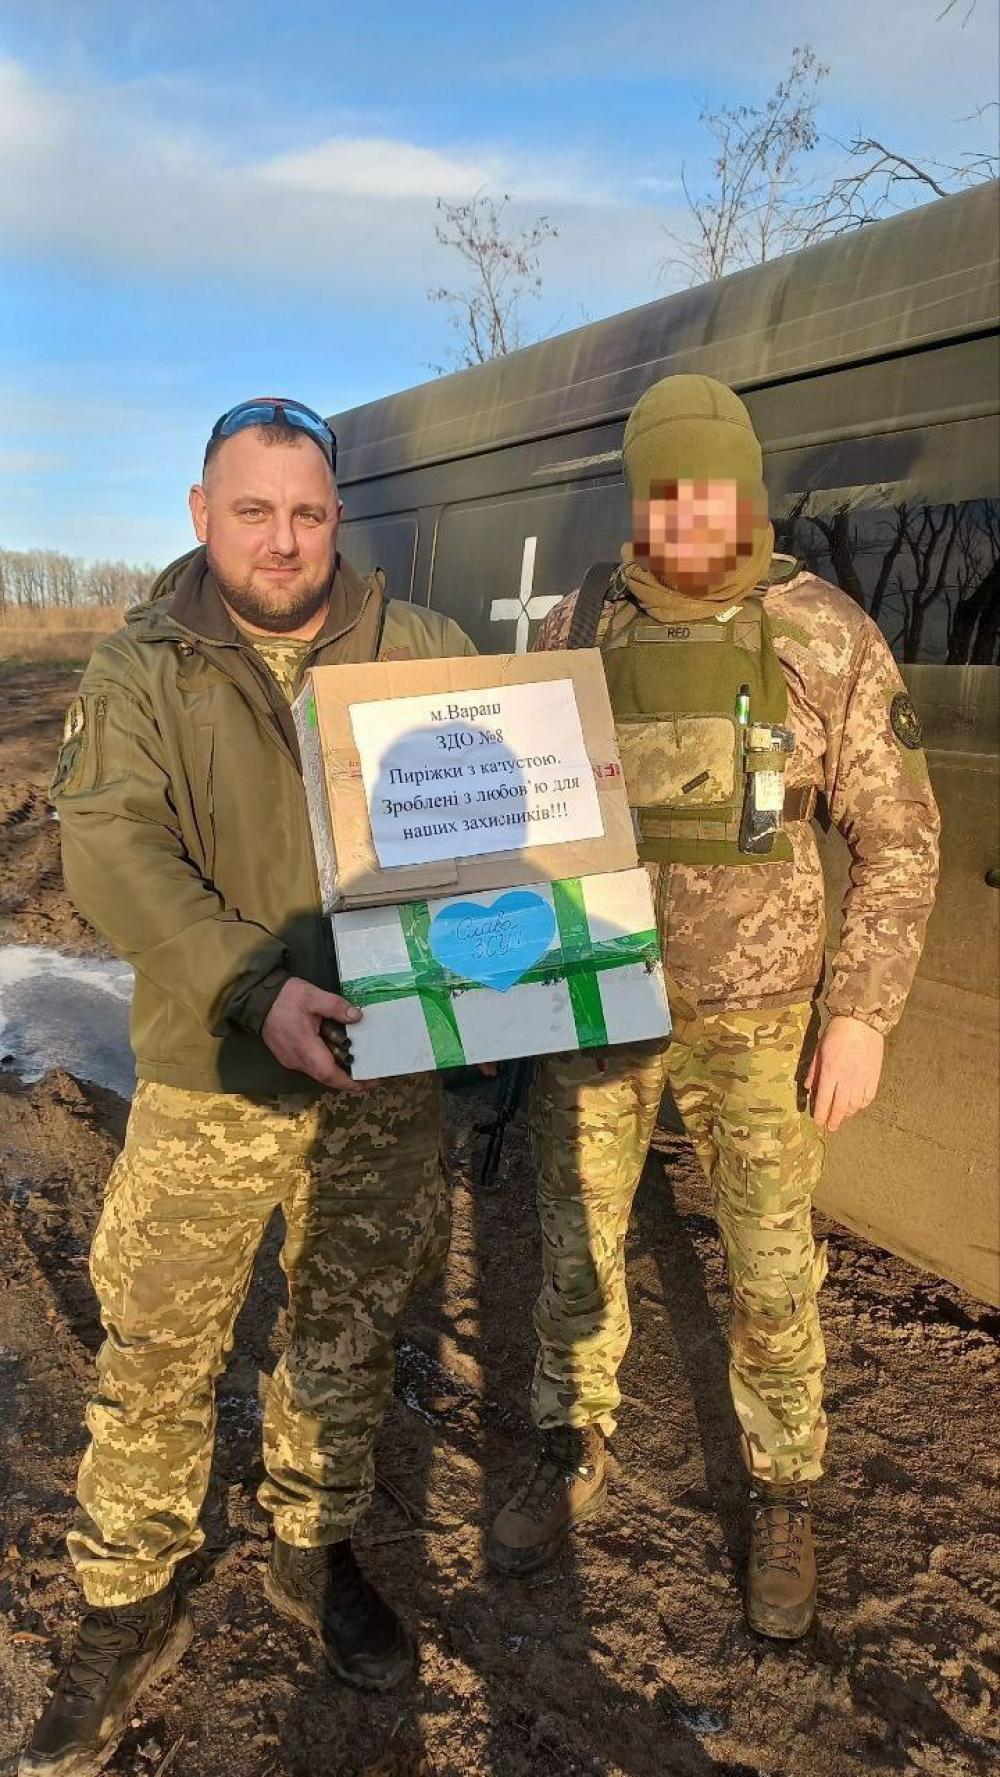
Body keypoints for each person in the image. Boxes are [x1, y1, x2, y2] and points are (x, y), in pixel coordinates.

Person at [22, 398, 477, 1777]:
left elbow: (509, 820)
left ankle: (310, 1544)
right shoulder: (142, 666)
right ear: (201, 514)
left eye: (309, 512)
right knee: (158, 1347)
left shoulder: (424, 651)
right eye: (254, 511)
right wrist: (252, 986)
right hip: (213, 1066)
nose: (284, 540)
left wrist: (532, 978)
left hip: (381, 1073)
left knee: (346, 1329)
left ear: (340, 517)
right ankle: (127, 1597)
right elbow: (114, 849)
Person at [487, 374, 940, 1640]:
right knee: (575, 1241)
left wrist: (862, 1013)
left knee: (772, 1265)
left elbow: (900, 840)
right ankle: (570, 1437)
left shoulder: (823, 634)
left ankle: (783, 1485)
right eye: (665, 495)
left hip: (762, 1024)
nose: (689, 517)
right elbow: (503, 806)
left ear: (745, 493)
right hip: (597, 1002)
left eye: (712, 492)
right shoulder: (577, 621)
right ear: (641, 502)